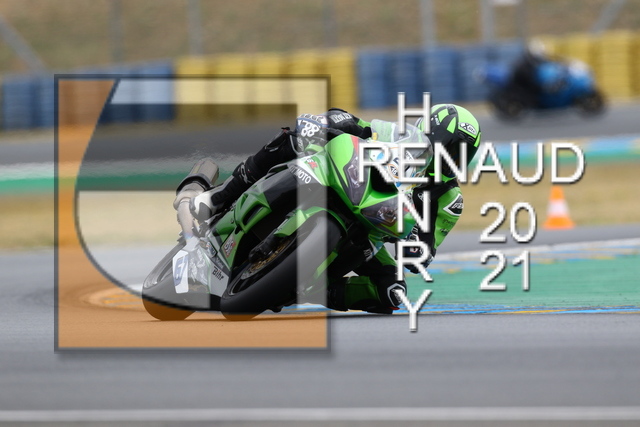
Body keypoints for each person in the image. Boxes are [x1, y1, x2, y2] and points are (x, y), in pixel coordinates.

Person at [175, 106, 481, 314]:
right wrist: (330, 121)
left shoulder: (449, 199)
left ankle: (305, 290)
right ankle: (220, 197)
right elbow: (356, 125)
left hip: (370, 230)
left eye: (462, 154)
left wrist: (416, 248)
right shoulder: (398, 136)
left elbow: (427, 246)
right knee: (293, 139)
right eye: (451, 147)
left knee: (392, 291)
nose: (453, 158)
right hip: (340, 182)